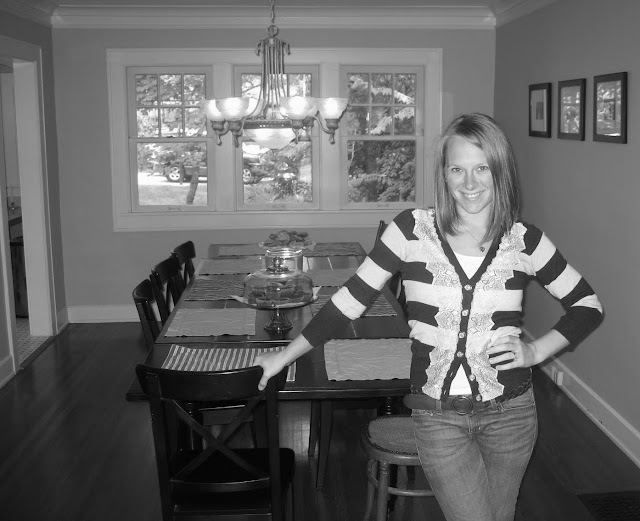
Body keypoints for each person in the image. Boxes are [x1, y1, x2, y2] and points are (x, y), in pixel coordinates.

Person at [255, 112, 603, 521]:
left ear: (501, 171)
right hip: (438, 417)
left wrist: (535, 352)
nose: (469, 183)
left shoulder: (525, 240)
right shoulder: (410, 231)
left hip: (511, 414)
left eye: (482, 168)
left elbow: (587, 305)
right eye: (457, 169)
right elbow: (348, 301)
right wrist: (283, 356)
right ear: (444, 173)